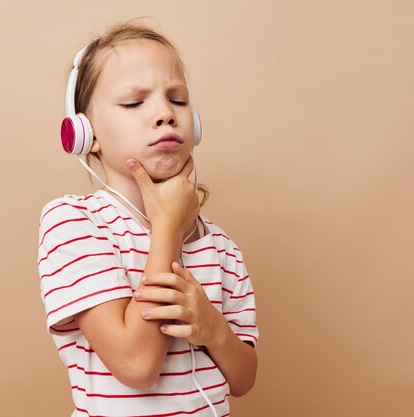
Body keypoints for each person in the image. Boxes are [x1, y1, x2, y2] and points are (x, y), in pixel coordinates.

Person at [37, 21, 259, 417]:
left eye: (177, 99)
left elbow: (243, 380)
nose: (164, 114)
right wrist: (168, 228)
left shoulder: (221, 247)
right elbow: (137, 366)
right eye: (134, 103)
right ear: (86, 132)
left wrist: (212, 328)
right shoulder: (73, 223)